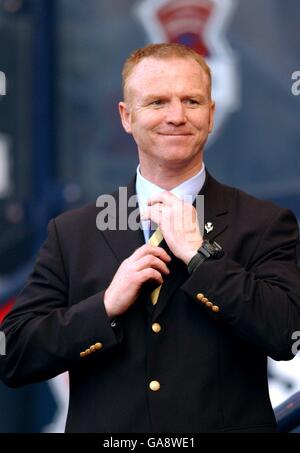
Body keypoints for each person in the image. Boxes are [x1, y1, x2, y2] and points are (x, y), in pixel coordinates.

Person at [1, 43, 300, 433]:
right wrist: (105, 305)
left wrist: (200, 255)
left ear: (211, 115)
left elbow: (286, 335)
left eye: (192, 101)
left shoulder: (265, 222)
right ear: (127, 116)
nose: (177, 116)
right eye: (157, 102)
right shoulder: (73, 231)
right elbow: (14, 356)